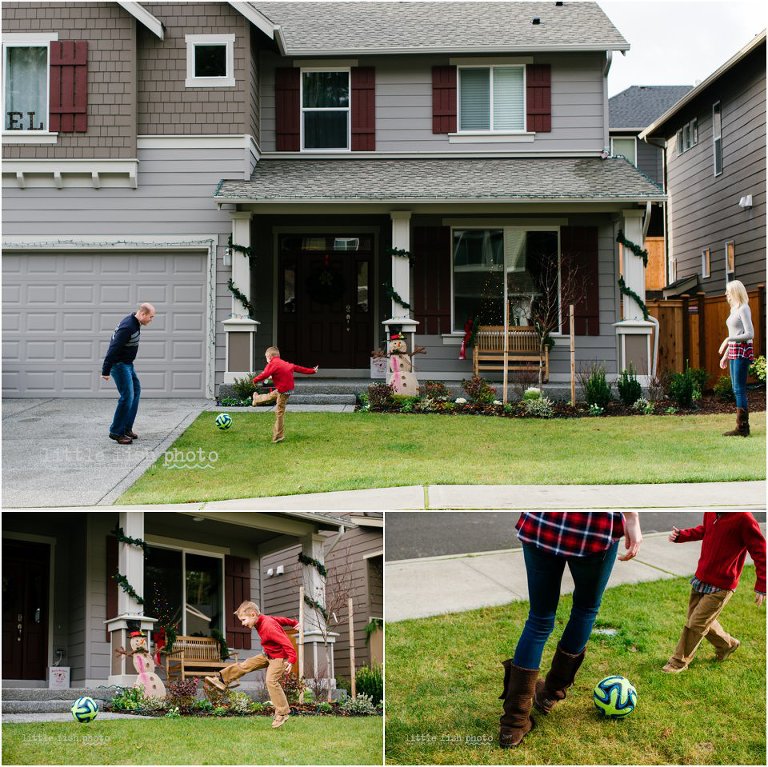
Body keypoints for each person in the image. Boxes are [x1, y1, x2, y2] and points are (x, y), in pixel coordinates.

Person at [499, 512, 643, 748]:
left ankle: (512, 725)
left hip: (544, 522)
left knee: (538, 620)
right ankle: (548, 695)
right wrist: (633, 518)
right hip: (592, 529)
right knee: (585, 609)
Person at [662, 512, 765, 674]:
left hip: (723, 584)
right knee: (698, 619)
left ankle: (678, 661)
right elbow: (705, 530)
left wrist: (762, 583)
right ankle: (727, 645)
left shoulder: (744, 519)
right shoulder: (711, 511)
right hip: (702, 576)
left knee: (696, 623)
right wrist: (682, 535)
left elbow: (760, 550)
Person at [205, 601, 298, 729]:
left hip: (278, 658)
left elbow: (286, 641)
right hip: (267, 654)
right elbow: (280, 620)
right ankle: (221, 680)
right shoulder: (263, 619)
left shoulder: (268, 626)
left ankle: (282, 713)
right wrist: (294, 623)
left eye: (243, 620)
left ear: (253, 614)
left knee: (271, 681)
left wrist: (292, 659)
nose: (243, 623)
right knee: (246, 664)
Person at [101, 303, 156, 444]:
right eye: (151, 317)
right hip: (119, 365)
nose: (151, 320)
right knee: (127, 396)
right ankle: (116, 432)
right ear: (143, 314)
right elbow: (113, 348)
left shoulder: (135, 322)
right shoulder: (128, 326)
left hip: (127, 364)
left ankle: (126, 428)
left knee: (135, 392)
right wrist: (105, 370)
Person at [251, 346, 318, 443]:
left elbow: (265, 374)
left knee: (279, 412)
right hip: (286, 389)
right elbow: (299, 368)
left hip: (283, 391)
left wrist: (255, 380)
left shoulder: (272, 364)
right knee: (270, 396)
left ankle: (278, 436)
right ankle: (256, 399)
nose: (266, 360)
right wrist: (312, 371)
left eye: (266, 357)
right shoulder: (285, 364)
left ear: (270, 356)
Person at [718, 280, 754, 437]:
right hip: (733, 351)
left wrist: (728, 340)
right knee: (735, 388)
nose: (726, 294)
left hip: (742, 350)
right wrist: (725, 356)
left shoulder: (744, 308)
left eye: (728, 291)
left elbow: (750, 334)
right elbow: (735, 334)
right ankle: (741, 427)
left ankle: (742, 428)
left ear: (735, 291)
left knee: (739, 389)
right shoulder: (734, 309)